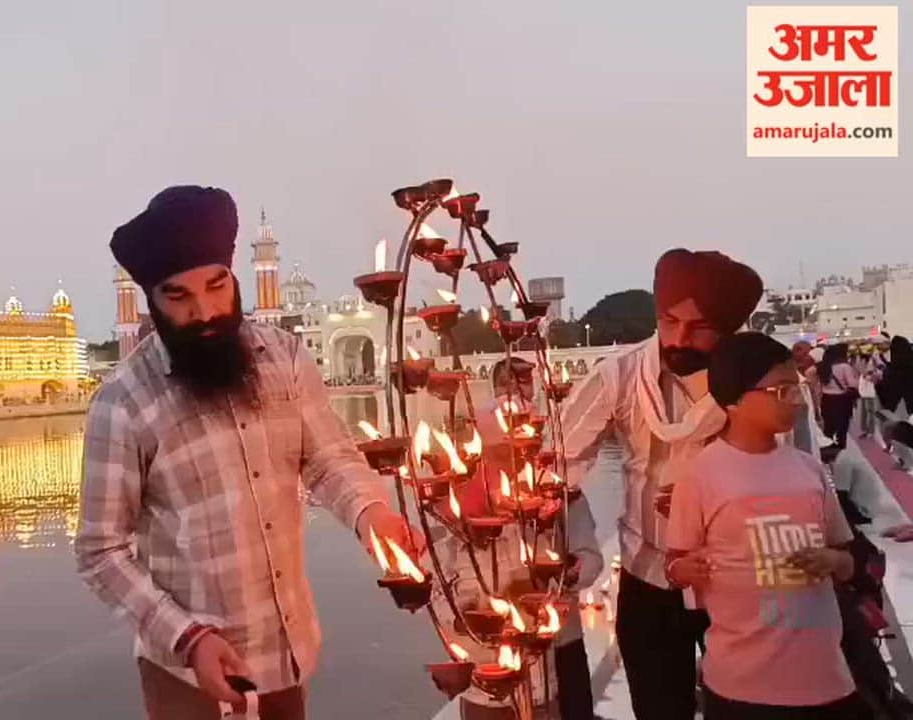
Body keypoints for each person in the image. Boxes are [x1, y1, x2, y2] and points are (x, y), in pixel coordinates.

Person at [75, 185, 422, 720]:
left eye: (217, 286)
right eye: (179, 296)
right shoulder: (123, 402)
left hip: (287, 653)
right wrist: (187, 638)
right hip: (192, 675)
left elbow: (328, 459)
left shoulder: (281, 357)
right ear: (152, 299)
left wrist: (371, 511)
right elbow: (100, 551)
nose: (206, 311)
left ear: (235, 275)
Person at [561, 248, 764, 719]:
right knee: (658, 709)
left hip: (738, 582)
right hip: (648, 578)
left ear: (730, 329)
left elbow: (790, 478)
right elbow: (558, 467)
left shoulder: (760, 382)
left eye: (699, 328)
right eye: (669, 321)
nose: (679, 339)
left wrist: (717, 501)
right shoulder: (619, 377)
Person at [665, 332, 868, 719]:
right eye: (781, 391)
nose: (795, 401)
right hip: (741, 687)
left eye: (796, 389)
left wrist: (834, 562)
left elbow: (848, 555)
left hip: (825, 678)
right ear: (735, 400)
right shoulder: (700, 475)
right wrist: (681, 571)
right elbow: (675, 564)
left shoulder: (808, 469)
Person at [442, 357, 602, 719]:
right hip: (493, 655)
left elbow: (590, 559)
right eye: (498, 453)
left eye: (525, 384)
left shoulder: (559, 492)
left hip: (559, 641)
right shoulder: (462, 506)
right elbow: (444, 581)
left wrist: (564, 574)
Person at [819, 344, 861, 448]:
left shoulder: (824, 366)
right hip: (841, 401)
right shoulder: (844, 367)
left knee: (828, 428)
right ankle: (840, 450)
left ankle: (828, 450)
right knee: (841, 429)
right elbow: (852, 384)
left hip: (826, 400)